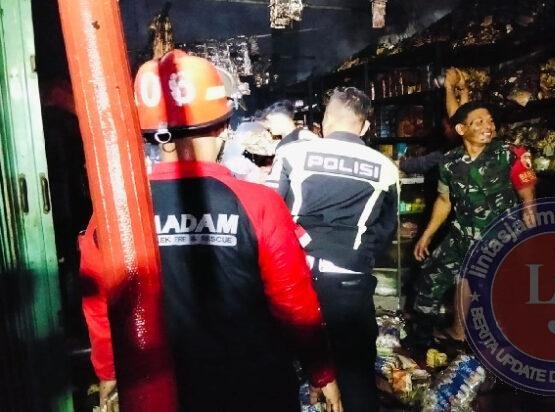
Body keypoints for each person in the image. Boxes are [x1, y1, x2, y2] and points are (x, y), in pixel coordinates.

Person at [79, 50, 342, 412]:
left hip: (161, 389)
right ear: (221, 128)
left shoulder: (114, 215)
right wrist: (321, 371)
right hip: (253, 387)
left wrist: (109, 372)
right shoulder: (258, 203)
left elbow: (99, 304)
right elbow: (294, 302)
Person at [267, 86, 399, 412]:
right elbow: (386, 228)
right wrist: (359, 257)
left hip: (293, 280)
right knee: (355, 373)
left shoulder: (292, 154)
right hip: (349, 281)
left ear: (325, 122)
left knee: (282, 369)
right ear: (365, 127)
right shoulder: (385, 167)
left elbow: (270, 213)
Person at [411, 100, 537, 349]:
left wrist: (529, 207)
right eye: (479, 122)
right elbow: (444, 200)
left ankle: (503, 347)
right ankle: (422, 336)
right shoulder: (449, 162)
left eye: (490, 121)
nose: (488, 126)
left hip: (499, 237)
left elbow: (526, 187)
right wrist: (427, 235)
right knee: (431, 276)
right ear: (462, 129)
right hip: (461, 236)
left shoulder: (510, 153)